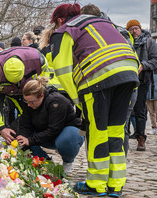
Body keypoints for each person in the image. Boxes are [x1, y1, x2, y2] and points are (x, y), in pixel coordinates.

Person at [50, 3, 139, 197]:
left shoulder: (65, 30)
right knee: (115, 132)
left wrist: (78, 99)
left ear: (59, 20)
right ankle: (115, 185)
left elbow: (62, 69)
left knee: (97, 132)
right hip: (129, 72)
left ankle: (96, 185)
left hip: (98, 77)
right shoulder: (105, 23)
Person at [80, 3, 137, 156]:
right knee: (119, 127)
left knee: (98, 128)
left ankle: (102, 169)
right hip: (128, 82)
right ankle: (118, 167)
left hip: (102, 84)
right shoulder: (121, 31)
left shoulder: (86, 31)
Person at [15, 77, 83, 173]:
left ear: (42, 96)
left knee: (69, 138)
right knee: (21, 137)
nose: (28, 105)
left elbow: (54, 129)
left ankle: (67, 162)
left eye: (32, 102)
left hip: (64, 133)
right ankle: (46, 162)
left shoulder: (57, 101)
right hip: (44, 133)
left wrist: (30, 140)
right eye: (27, 102)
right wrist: (23, 138)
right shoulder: (29, 102)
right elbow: (25, 123)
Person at [0, 47, 46, 144]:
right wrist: (1, 128)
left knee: (29, 110)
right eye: (12, 81)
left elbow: (46, 78)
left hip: (25, 86)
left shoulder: (37, 60)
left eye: (17, 80)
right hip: (1, 88)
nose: (15, 82)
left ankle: (32, 140)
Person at [126, 19, 157, 151]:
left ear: (140, 28)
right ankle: (124, 137)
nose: (134, 32)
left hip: (143, 81)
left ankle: (141, 138)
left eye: (136, 28)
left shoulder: (150, 42)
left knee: (140, 111)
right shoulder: (125, 42)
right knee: (125, 110)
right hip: (126, 80)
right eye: (131, 29)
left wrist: (143, 66)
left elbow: (155, 61)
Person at [146, 70, 157, 135]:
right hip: (148, 95)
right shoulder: (148, 71)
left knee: (156, 111)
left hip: (155, 94)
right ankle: (154, 127)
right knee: (151, 112)